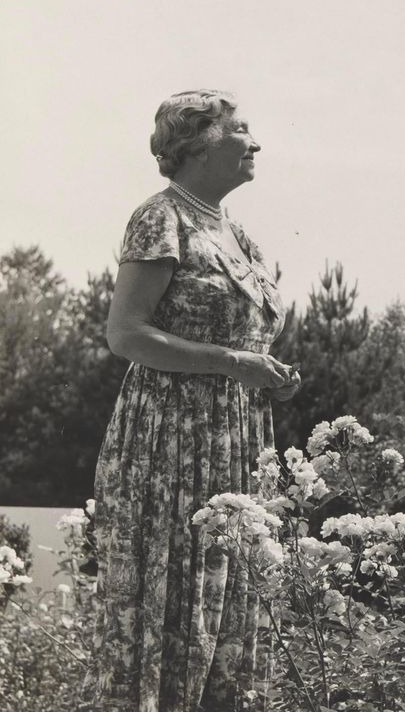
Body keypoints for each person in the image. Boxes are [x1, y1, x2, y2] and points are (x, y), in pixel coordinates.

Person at [85, 89, 300, 712]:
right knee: (173, 606)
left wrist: (264, 372)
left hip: (235, 439)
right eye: (242, 130)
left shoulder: (239, 235)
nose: (255, 142)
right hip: (168, 443)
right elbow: (125, 333)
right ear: (200, 143)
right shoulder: (162, 217)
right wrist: (235, 363)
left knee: (230, 609)